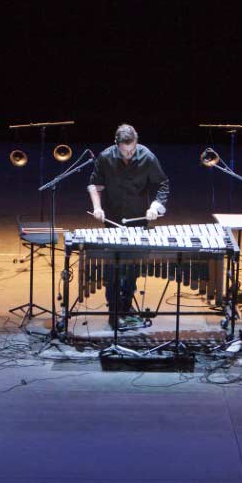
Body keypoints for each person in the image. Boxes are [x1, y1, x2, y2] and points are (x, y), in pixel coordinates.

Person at [87, 124, 170, 330]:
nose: (129, 154)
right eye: (125, 151)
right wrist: (97, 208)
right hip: (113, 219)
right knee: (112, 268)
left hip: (138, 220)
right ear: (117, 145)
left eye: (132, 150)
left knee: (132, 267)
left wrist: (156, 206)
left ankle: (125, 306)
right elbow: (94, 185)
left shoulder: (147, 157)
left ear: (136, 142)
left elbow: (163, 184)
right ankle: (113, 311)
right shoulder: (105, 157)